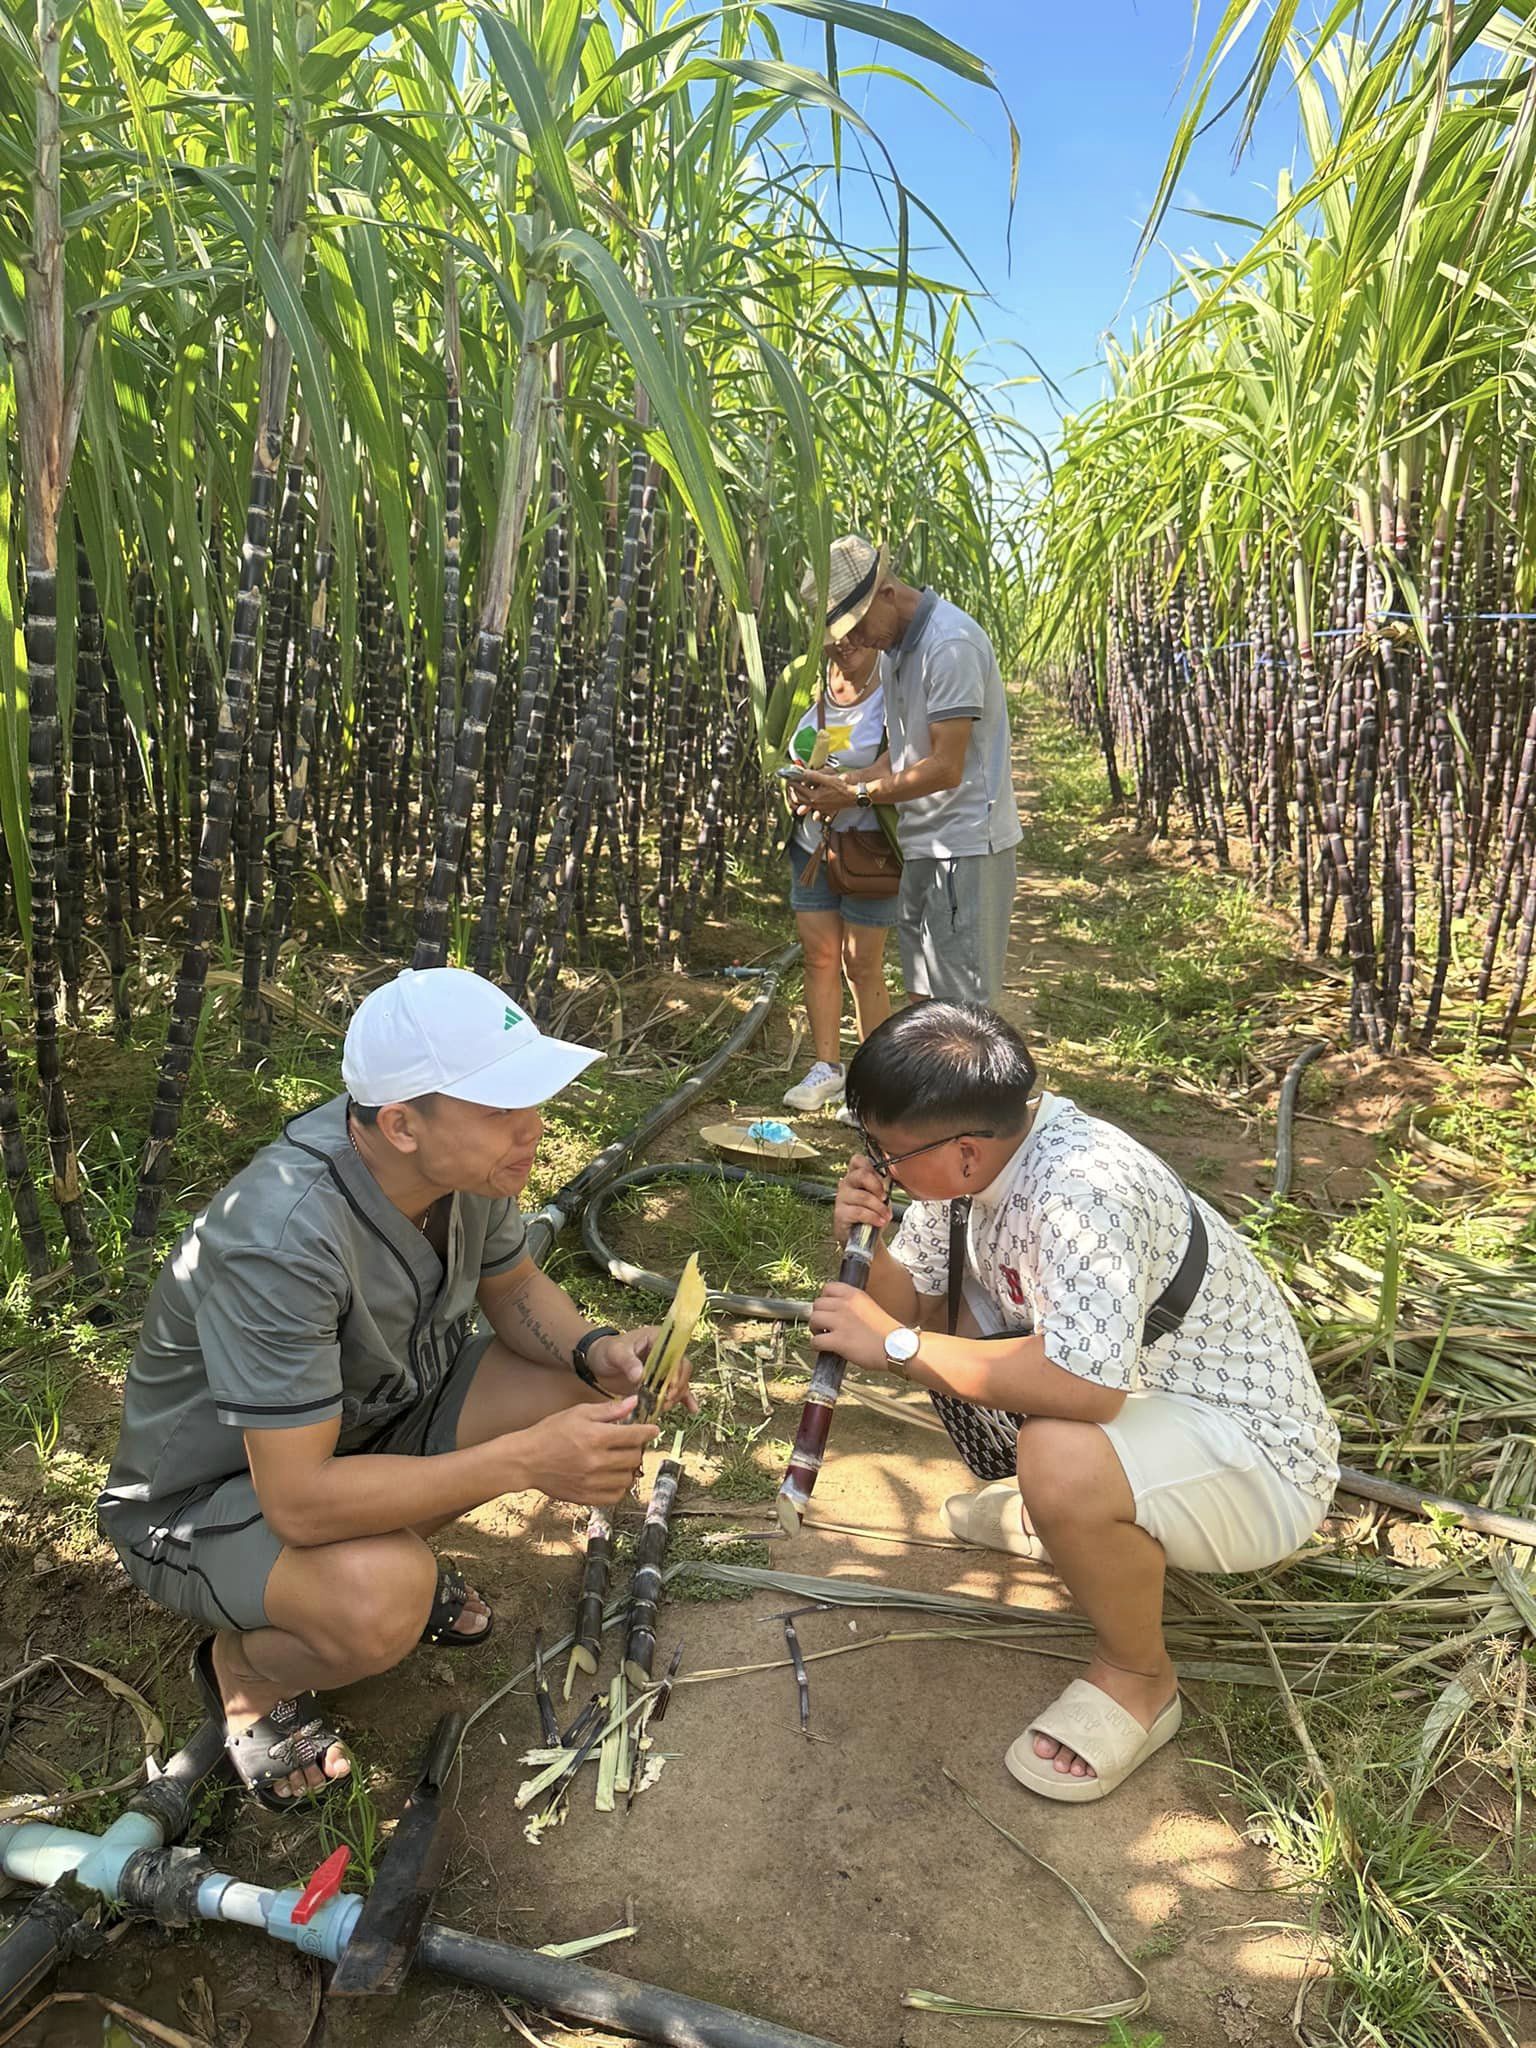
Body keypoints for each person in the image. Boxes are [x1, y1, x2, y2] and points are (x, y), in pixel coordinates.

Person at [98, 968, 687, 1809]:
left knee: (578, 1396)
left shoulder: (465, 1176)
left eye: (531, 1101)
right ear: (402, 1123)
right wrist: (522, 1461)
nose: (533, 1130)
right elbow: (298, 1503)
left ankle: (373, 1557)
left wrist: (596, 1351)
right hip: (209, 1504)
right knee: (385, 1597)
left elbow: (514, 1287)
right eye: (500, 1110)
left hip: (362, 1429)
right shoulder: (283, 1239)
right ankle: (249, 1671)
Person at [808, 1002, 1339, 1804]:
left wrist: (892, 1349)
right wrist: (870, 1240)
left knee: (1060, 1452)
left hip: (1259, 1466)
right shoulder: (981, 1158)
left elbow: (1083, 1389)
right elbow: (915, 1304)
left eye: (885, 1151)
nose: (876, 1163)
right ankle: (1066, 1517)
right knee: (997, 1380)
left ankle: (1138, 1677)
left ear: (964, 1150)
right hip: (1157, 1415)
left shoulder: (1081, 1193)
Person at [795, 536, 1021, 1007]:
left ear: (887, 594)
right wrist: (843, 784)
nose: (851, 643)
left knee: (959, 1008)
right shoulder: (898, 652)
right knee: (924, 1002)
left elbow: (944, 768)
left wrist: (858, 797)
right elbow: (903, 756)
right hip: (922, 843)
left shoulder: (949, 646)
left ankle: (971, 1085)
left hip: (964, 847)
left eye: (855, 628)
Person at [780, 637, 898, 1118]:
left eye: (854, 628)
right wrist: (795, 790)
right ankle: (827, 1068)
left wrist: (845, 789)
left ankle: (873, 1080)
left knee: (862, 964)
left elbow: (904, 760)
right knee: (819, 956)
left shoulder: (894, 680)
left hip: (868, 851)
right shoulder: (804, 679)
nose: (844, 642)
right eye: (833, 630)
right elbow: (784, 750)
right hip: (812, 846)